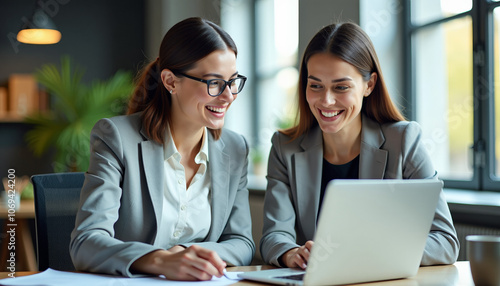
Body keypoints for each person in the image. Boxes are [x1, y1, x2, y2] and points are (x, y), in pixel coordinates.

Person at [259, 22, 459, 269]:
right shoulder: (284, 147)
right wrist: (290, 253)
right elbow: (273, 235)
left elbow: (445, 242)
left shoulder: (404, 141)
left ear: (369, 85)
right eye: (315, 85)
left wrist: (370, 253)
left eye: (341, 87)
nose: (326, 100)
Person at [70, 17, 255, 280]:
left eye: (233, 81)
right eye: (214, 83)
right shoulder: (116, 138)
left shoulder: (235, 149)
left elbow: (241, 242)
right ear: (170, 82)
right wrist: (161, 260)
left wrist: (187, 254)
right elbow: (86, 242)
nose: (228, 96)